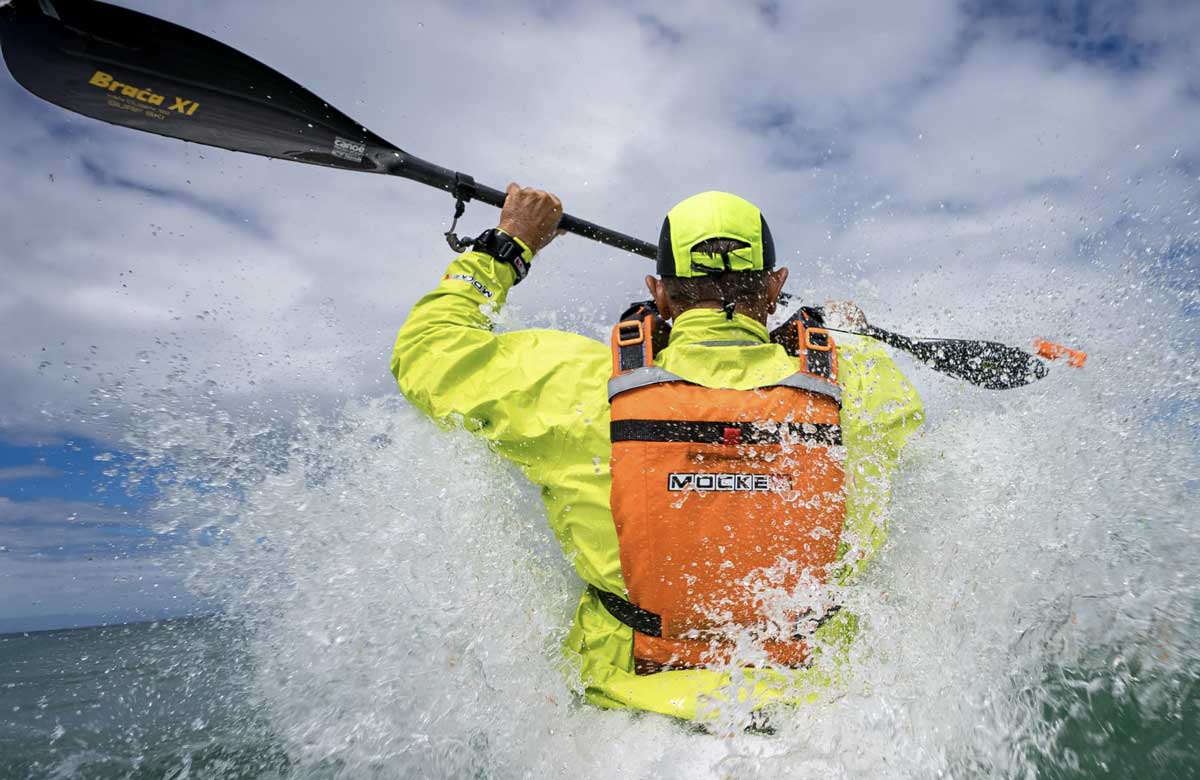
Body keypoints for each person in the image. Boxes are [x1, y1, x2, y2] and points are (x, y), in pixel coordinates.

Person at [392, 185, 924, 723]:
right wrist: (849, 337)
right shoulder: (858, 385)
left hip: (627, 717)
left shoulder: (578, 383)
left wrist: (508, 245)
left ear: (660, 294)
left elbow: (427, 352)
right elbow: (883, 398)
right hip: (820, 714)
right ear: (776, 285)